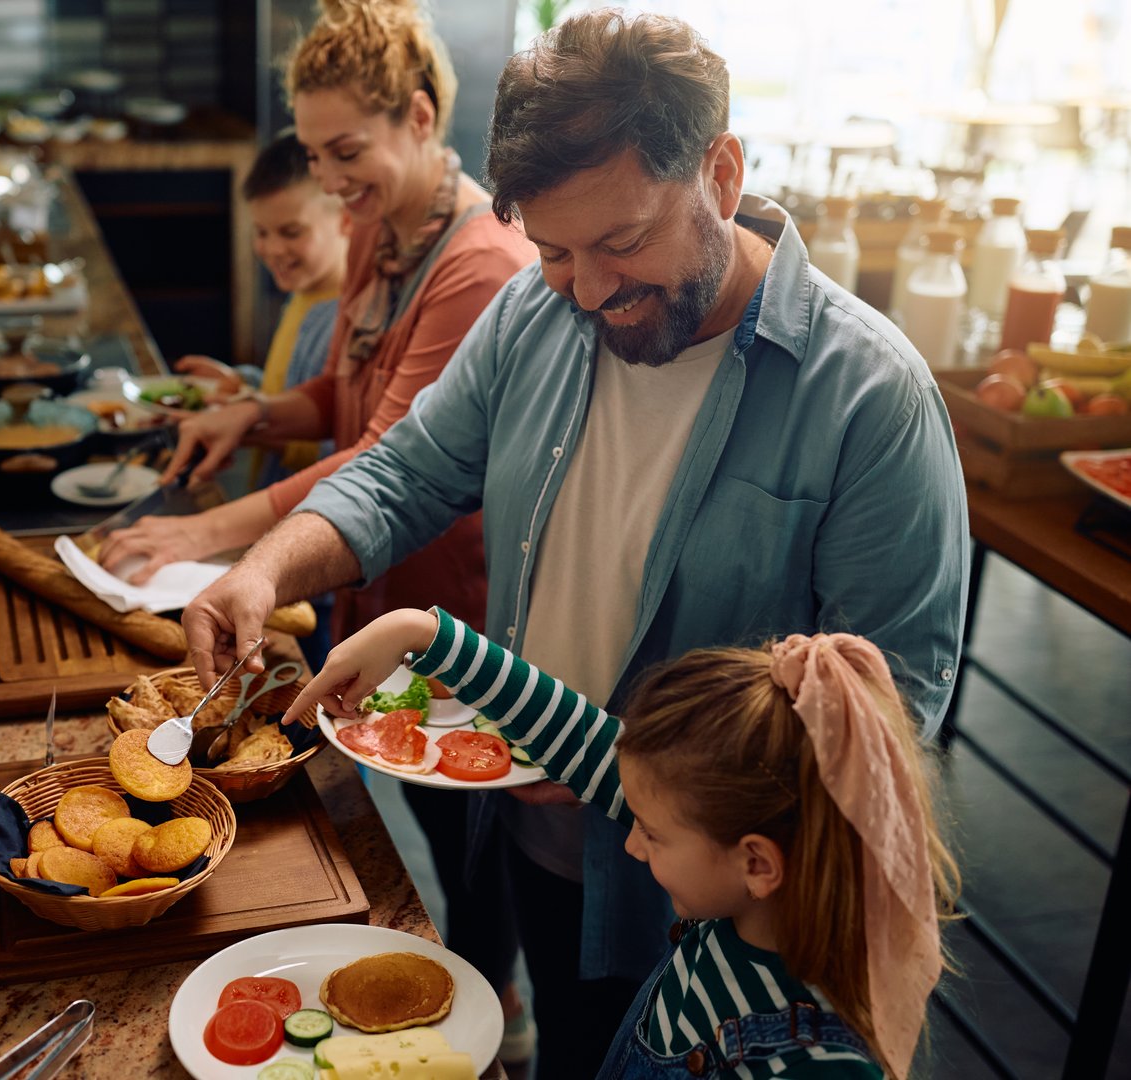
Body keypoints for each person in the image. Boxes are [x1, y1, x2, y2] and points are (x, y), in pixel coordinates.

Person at [177, 9, 968, 1073]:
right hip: (535, 832)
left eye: (624, 241)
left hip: (738, 913)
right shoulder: (528, 315)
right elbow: (406, 475)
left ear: (721, 173)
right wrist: (265, 569)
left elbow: (888, 723)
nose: (589, 292)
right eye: (554, 251)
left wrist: (649, 783)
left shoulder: (871, 399)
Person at [101, 0, 540, 1059]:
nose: (331, 178)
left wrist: (210, 532)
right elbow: (343, 402)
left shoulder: (479, 265)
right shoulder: (378, 232)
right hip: (371, 593)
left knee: (478, 839)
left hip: (458, 613)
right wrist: (254, 412)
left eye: (349, 152)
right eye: (312, 154)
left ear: (422, 118)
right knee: (408, 821)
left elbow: (387, 456)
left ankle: (496, 1018)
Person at [282, 609, 959, 1080]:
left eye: (652, 833)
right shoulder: (736, 888)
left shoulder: (814, 1064)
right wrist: (417, 632)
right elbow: (577, 734)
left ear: (757, 862)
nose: (631, 844)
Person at [172, 131, 349, 669]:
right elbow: (288, 389)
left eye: (291, 231)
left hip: (306, 544)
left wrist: (248, 420)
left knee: (308, 657)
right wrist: (241, 387)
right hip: (275, 530)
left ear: (344, 218)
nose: (273, 248)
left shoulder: (341, 314)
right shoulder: (304, 293)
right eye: (262, 232)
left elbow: (324, 436)